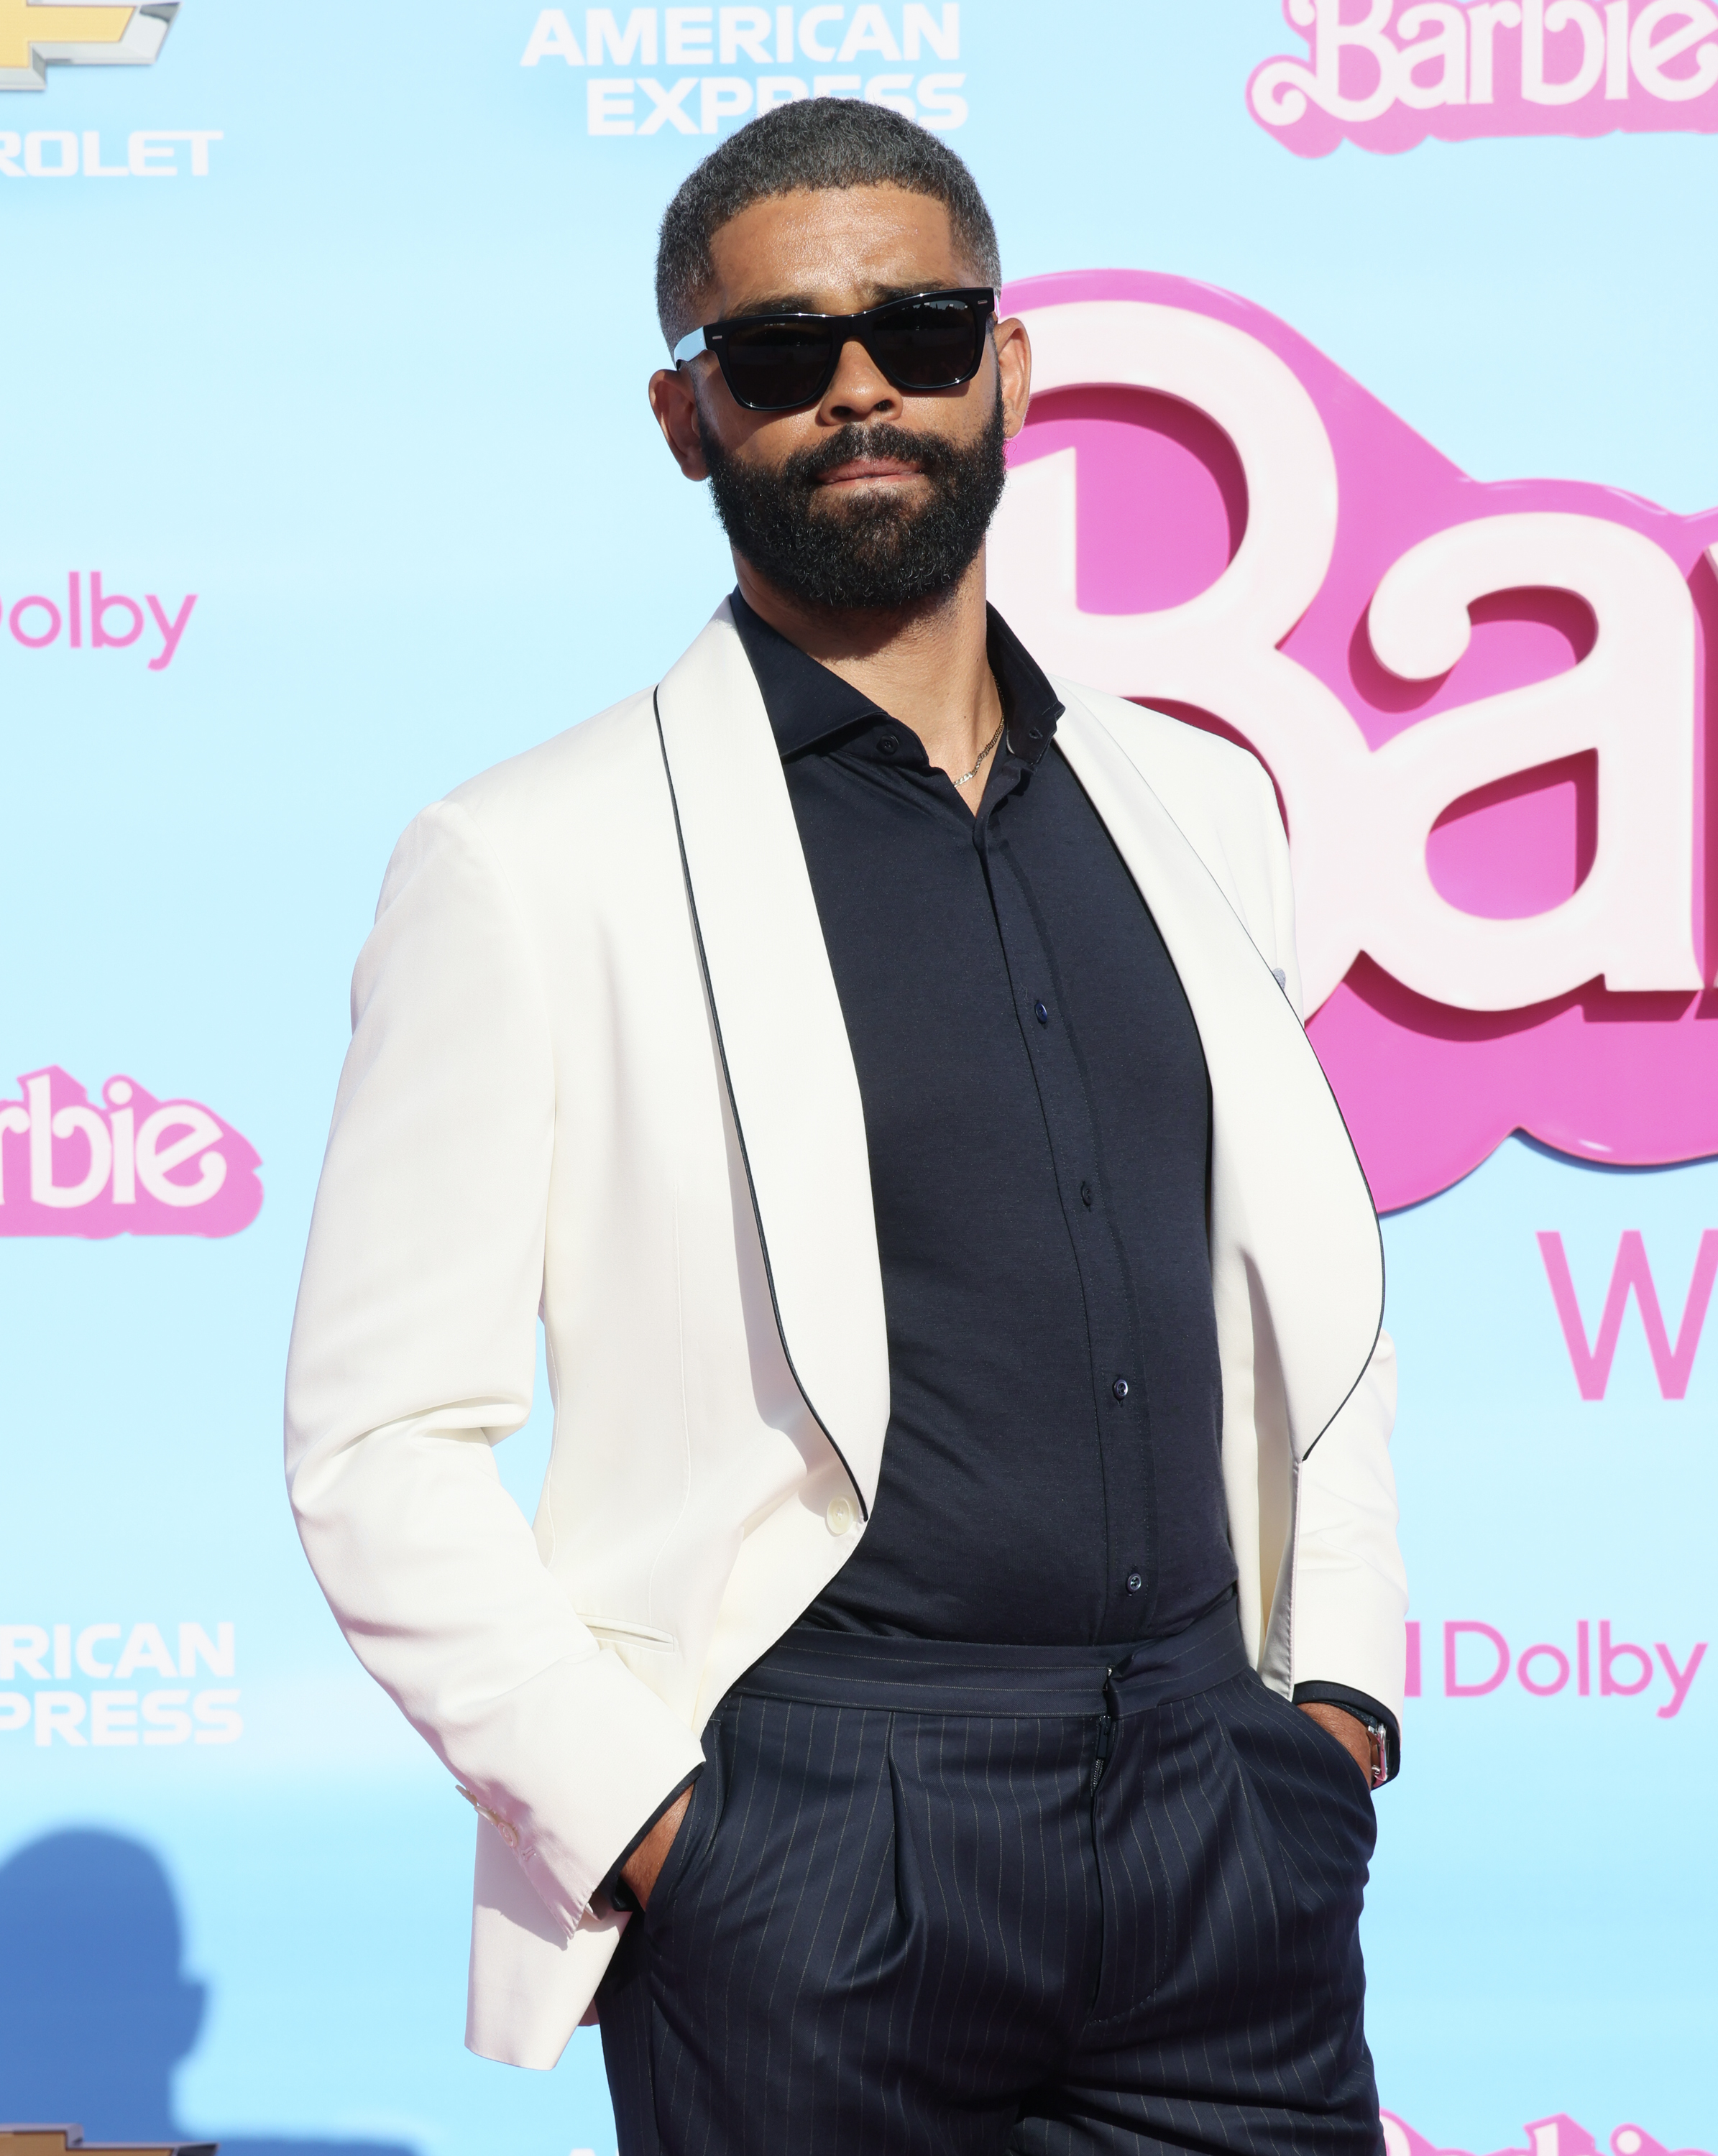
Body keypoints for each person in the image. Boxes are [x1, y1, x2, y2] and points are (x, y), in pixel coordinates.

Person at [285, 98, 1406, 2155]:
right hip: (807, 1843)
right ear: (686, 414)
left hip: (1223, 1832)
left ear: (1016, 366)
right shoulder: (529, 859)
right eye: (783, 353)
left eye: (922, 325)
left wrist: (1327, 1719)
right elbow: (374, 1449)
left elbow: (1305, 1311)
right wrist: (660, 1831)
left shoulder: (1202, 809)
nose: (864, 384)